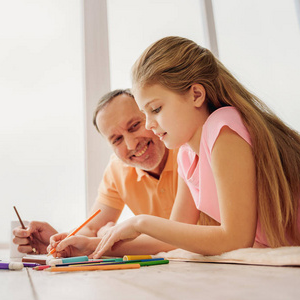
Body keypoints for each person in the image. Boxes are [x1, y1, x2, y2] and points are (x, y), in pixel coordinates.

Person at [91, 36, 300, 258]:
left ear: (196, 95)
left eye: (156, 109)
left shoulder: (223, 128)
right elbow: (170, 239)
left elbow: (236, 239)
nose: (150, 125)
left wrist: (141, 222)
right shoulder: (187, 155)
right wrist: (91, 247)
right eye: (145, 114)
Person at [12, 89, 181, 256]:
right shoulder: (117, 169)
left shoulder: (186, 150)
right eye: (117, 139)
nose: (131, 144)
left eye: (134, 126)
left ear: (150, 116)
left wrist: (103, 238)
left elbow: (176, 237)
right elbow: (92, 228)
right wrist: (60, 242)